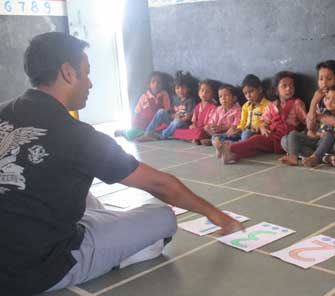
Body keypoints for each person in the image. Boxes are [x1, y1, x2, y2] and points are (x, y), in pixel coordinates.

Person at [0, 32, 243, 295]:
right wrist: (217, 216)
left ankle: (106, 229)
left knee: (76, 189)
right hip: (36, 269)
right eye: (87, 72)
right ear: (68, 73)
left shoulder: (3, 110)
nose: (90, 83)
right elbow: (161, 185)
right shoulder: (78, 135)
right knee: (161, 219)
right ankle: (115, 254)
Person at [214, 71, 307, 164]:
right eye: (284, 86)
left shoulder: (297, 103)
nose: (289, 89)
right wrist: (263, 127)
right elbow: (264, 120)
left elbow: (306, 121)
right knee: (256, 149)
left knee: (256, 140)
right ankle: (232, 156)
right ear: (276, 90)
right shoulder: (272, 105)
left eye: (291, 86)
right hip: (271, 136)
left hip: (284, 138)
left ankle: (230, 148)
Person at [281, 85, 335, 167]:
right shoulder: (321, 110)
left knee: (334, 139)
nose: (329, 102)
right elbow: (310, 128)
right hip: (317, 140)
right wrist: (314, 101)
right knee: (291, 135)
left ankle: (316, 157)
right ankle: (293, 156)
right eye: (327, 98)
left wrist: (317, 116)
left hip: (331, 144)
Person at [136, 71, 196, 141]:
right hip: (172, 121)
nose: (180, 90)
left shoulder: (190, 101)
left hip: (182, 123)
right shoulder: (175, 99)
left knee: (177, 121)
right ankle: (147, 133)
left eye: (183, 88)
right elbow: (170, 112)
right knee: (161, 111)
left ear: (188, 89)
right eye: (178, 88)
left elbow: (190, 116)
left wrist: (180, 117)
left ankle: (161, 135)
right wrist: (173, 115)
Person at [114, 71, 171, 141]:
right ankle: (124, 132)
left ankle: (147, 135)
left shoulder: (164, 95)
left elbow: (166, 110)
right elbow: (137, 112)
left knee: (161, 116)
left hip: (158, 124)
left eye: (159, 82)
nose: (156, 85)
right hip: (144, 125)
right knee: (131, 133)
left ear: (162, 85)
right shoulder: (144, 96)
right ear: (149, 84)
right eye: (153, 82)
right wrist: (134, 123)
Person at [216, 74, 271, 143]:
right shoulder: (246, 106)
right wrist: (237, 129)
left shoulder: (268, 105)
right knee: (217, 137)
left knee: (247, 134)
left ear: (259, 89)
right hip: (244, 131)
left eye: (251, 91)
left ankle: (234, 145)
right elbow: (243, 122)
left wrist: (259, 128)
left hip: (257, 133)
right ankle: (235, 143)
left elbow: (268, 122)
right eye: (245, 93)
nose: (248, 95)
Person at [172, 80, 217, 144]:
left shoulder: (213, 107)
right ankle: (197, 139)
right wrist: (193, 125)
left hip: (205, 130)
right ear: (198, 93)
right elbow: (194, 121)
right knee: (177, 132)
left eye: (207, 92)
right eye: (202, 91)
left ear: (212, 94)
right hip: (196, 129)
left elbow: (210, 124)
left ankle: (198, 139)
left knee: (200, 132)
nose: (204, 93)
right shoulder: (197, 106)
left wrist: (201, 128)